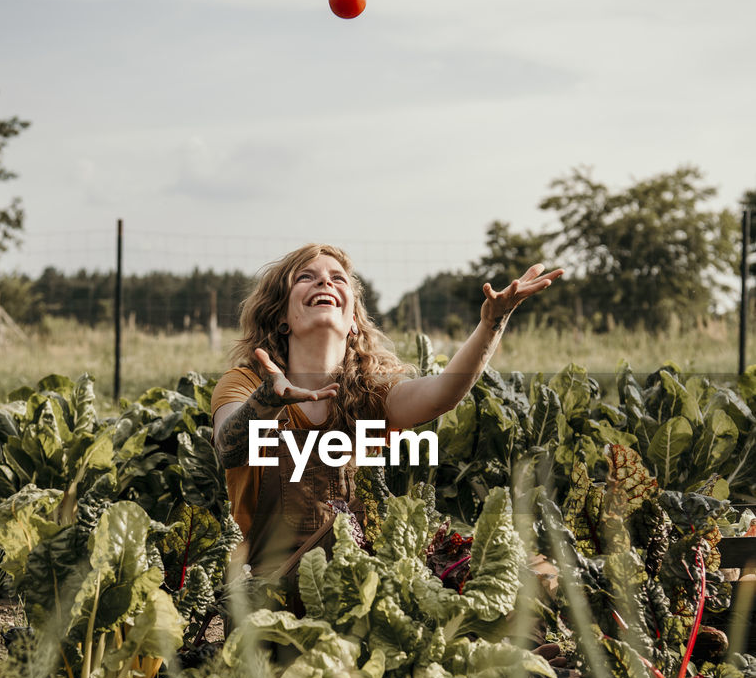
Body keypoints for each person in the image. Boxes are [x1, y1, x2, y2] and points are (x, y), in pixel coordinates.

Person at [211, 243, 562, 592]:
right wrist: (267, 399)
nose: (325, 283)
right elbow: (228, 447)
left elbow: (442, 395)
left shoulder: (369, 392)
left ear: (353, 321)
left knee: (517, 567)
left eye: (338, 278)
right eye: (307, 277)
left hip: (362, 581)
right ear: (281, 317)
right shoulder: (244, 383)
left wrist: (491, 323)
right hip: (270, 590)